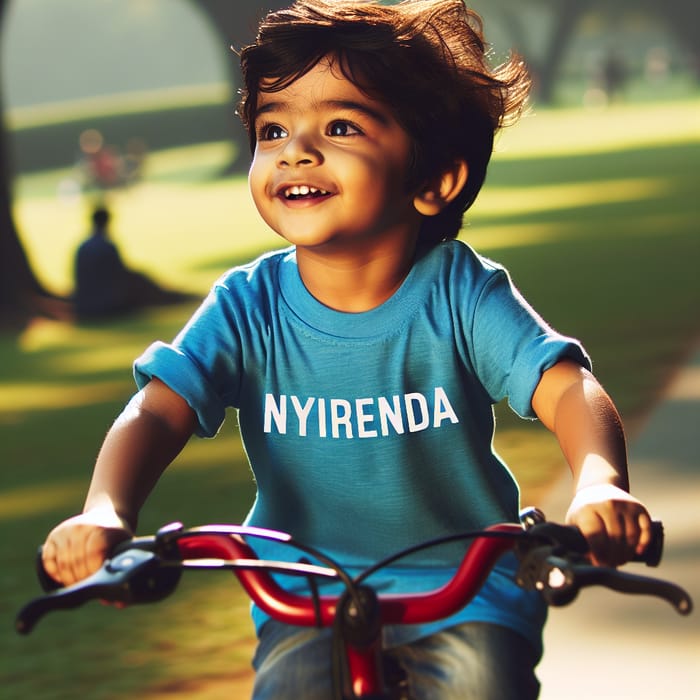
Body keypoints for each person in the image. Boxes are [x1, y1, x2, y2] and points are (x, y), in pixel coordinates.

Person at [44, 1, 653, 698]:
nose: (295, 150)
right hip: (304, 592)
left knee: (481, 683)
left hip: (463, 590)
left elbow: (565, 385)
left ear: (434, 181)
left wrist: (600, 483)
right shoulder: (247, 306)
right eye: (273, 128)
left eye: (339, 126)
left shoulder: (461, 294)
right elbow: (157, 412)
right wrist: (106, 510)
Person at [74, 206, 196, 320]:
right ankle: (180, 297)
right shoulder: (107, 246)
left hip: (85, 304)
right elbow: (119, 276)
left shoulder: (82, 247)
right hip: (105, 305)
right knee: (141, 282)